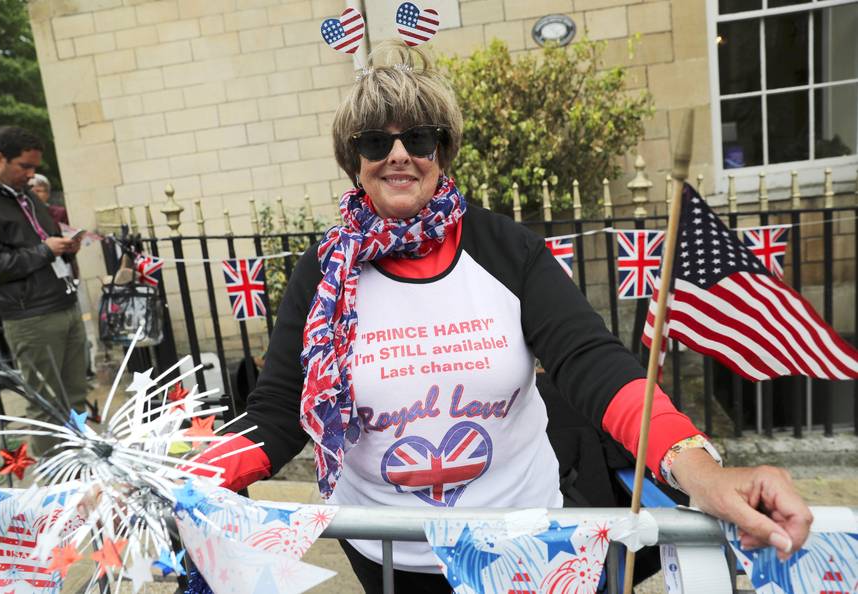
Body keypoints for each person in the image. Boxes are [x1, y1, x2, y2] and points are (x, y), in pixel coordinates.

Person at [195, 42, 812, 592]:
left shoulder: (505, 249)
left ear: (444, 151)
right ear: (353, 159)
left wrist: (698, 471)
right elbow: (279, 408)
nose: (400, 156)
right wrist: (188, 475)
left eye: (421, 138)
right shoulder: (324, 273)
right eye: (376, 142)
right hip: (388, 553)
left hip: (522, 544)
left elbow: (590, 362)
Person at [0, 126, 87, 457]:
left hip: (62, 301)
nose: (32, 174)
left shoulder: (26, 195)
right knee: (47, 406)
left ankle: (82, 470)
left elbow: (43, 240)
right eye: (24, 166)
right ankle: (54, 492)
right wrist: (46, 251)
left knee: (77, 396)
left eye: (35, 167)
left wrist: (66, 247)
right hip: (30, 316)